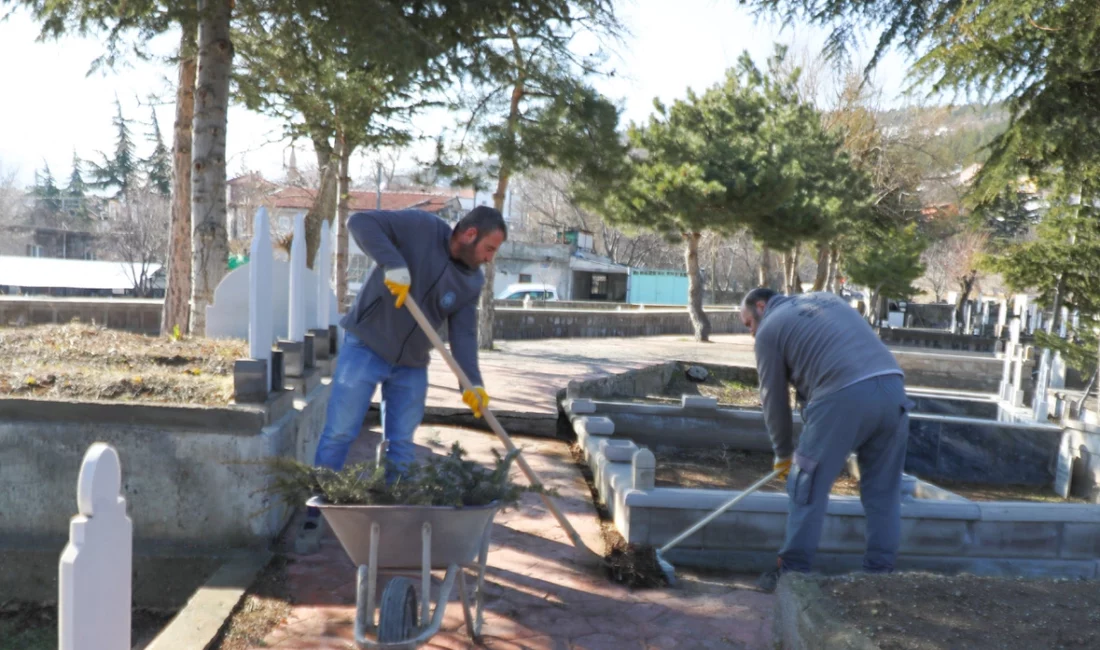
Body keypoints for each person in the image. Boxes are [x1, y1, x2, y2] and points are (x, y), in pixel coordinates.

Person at [295, 206, 506, 554]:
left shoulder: (472, 281)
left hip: (411, 365)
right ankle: (315, 512)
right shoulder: (421, 228)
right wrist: (393, 262)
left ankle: (393, 515)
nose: (489, 258)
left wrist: (472, 383)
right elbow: (359, 221)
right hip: (365, 347)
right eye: (490, 249)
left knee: (402, 444)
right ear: (470, 235)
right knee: (340, 432)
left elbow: (464, 334)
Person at [740, 288, 913, 592]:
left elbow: (773, 400)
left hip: (843, 396)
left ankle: (792, 574)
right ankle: (879, 578)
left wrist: (782, 454)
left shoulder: (769, 329)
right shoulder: (827, 298)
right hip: (893, 389)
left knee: (805, 486)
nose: (751, 333)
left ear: (760, 306)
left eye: (748, 324)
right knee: (883, 491)